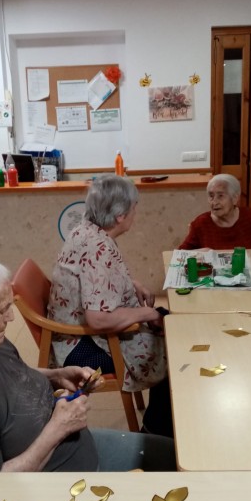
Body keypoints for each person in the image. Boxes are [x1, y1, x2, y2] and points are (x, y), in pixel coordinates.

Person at [0, 254, 176, 472]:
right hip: (63, 484)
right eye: (1, 311)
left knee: (176, 456)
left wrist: (57, 375)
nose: (11, 318)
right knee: (178, 472)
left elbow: (8, 376)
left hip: (79, 445)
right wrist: (59, 427)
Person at [48, 174, 173, 437]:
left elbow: (94, 279)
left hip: (78, 335)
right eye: (134, 207)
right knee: (173, 348)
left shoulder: (86, 229)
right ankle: (154, 433)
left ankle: (159, 424)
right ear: (120, 216)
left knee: (169, 322)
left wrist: (131, 284)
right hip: (81, 346)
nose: (136, 212)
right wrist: (146, 312)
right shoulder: (98, 248)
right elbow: (98, 319)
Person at [179, 173, 251, 250]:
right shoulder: (201, 223)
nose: (214, 202)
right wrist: (198, 253)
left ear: (234, 198)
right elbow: (180, 254)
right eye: (211, 196)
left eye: (220, 196)